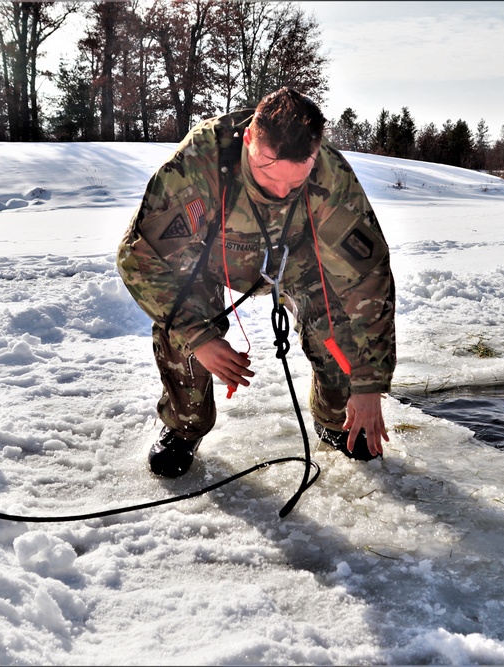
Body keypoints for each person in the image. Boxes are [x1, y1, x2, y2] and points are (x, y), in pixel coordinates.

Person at [117, 87, 396, 478]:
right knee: (179, 313)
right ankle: (184, 426)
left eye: (294, 182)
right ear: (249, 139)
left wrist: (368, 383)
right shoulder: (202, 162)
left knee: (343, 323)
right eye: (267, 173)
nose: (279, 192)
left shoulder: (330, 177)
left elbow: (368, 280)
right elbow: (140, 258)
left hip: (301, 262)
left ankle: (335, 419)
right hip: (207, 263)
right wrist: (200, 336)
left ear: (314, 156)